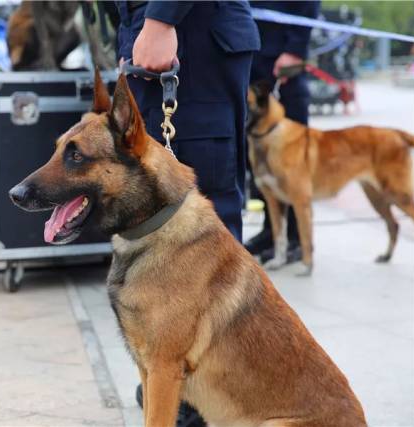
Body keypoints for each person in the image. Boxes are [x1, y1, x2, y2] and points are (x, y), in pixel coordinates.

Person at [115, 2, 260, 426]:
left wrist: (161, 18)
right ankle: (171, 371)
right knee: (153, 210)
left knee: (199, 220)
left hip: (189, 35)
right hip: (151, 33)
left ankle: (200, 398)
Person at [244, 1, 321, 263]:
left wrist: (296, 48)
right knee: (263, 163)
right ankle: (272, 231)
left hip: (281, 58)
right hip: (251, 54)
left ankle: (298, 238)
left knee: (291, 163)